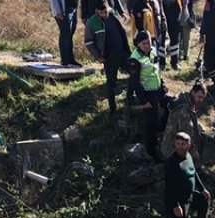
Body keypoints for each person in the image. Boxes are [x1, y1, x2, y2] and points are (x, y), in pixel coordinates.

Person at [128, 30, 169, 161]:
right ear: (138, 44)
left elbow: (155, 69)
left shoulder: (153, 50)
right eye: (144, 43)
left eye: (149, 42)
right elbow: (134, 83)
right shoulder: (135, 59)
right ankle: (151, 151)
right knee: (150, 123)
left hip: (157, 88)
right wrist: (144, 101)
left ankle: (161, 129)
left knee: (170, 104)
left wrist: (163, 84)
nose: (147, 45)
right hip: (147, 92)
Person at [163, 132, 210, 218]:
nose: (180, 146)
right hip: (179, 200)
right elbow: (170, 187)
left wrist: (202, 189)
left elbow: (193, 173)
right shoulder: (172, 163)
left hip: (189, 195)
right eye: (178, 144)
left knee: (204, 201)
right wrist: (176, 205)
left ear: (188, 146)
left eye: (183, 144)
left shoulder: (188, 156)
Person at [85, 0, 130, 114]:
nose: (105, 14)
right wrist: (98, 56)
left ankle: (129, 98)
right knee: (111, 83)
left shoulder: (113, 16)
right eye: (102, 12)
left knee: (135, 72)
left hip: (122, 53)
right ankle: (112, 109)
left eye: (106, 11)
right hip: (109, 57)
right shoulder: (91, 22)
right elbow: (89, 43)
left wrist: (128, 50)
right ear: (97, 11)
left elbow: (122, 32)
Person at [161, 81, 207, 158]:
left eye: (203, 97)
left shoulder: (187, 99)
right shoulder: (184, 108)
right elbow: (185, 133)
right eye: (199, 97)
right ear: (193, 93)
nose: (201, 100)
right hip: (173, 149)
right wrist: (194, 152)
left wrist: (199, 126)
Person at [129, 0, 166, 68]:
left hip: (153, 36)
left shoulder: (150, 3)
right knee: (146, 61)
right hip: (145, 40)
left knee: (154, 58)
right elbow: (138, 25)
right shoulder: (138, 5)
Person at [50, 0, 81, 66]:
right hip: (63, 11)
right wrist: (57, 11)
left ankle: (70, 59)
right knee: (65, 34)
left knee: (70, 35)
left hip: (73, 9)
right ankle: (64, 60)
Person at [159, 0, 185, 69]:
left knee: (175, 37)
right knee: (161, 38)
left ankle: (175, 62)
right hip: (162, 9)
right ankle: (161, 63)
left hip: (175, 10)